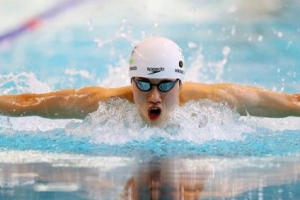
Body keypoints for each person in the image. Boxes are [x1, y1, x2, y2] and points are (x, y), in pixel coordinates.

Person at [0, 36, 300, 126]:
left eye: (166, 84)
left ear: (180, 83)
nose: (154, 95)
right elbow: (29, 103)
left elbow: (291, 103)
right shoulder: (103, 104)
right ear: (131, 82)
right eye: (143, 84)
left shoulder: (216, 100)